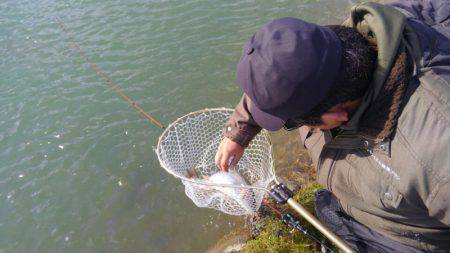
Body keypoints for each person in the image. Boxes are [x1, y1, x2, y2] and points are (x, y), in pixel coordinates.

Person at [215, 1, 450, 252]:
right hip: (358, 203)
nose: (293, 124)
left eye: (291, 122)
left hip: (411, 239)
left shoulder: (438, 158)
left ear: (336, 115)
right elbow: (278, 71)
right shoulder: (338, 46)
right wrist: (239, 130)